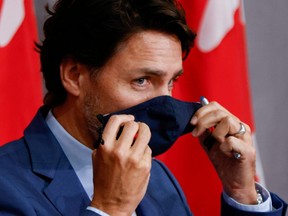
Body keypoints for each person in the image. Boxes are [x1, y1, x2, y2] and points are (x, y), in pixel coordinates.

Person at [0, 0, 286, 215]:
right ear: (74, 75)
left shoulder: (159, 179)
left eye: (171, 82)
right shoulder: (6, 184)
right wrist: (111, 209)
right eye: (142, 80)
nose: (165, 103)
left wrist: (242, 193)